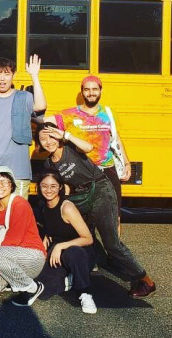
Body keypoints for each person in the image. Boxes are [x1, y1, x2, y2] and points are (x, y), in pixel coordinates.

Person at [36, 122, 156, 298]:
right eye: (42, 139)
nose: (48, 141)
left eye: (51, 135)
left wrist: (65, 135)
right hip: (80, 197)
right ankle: (86, 263)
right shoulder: (49, 164)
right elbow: (64, 189)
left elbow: (89, 146)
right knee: (78, 232)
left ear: (58, 135)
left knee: (112, 243)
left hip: (99, 190)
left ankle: (145, 280)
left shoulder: (70, 147)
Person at [44, 75, 131, 222]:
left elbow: (116, 140)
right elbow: (42, 121)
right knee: (83, 216)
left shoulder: (109, 113)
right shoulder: (68, 115)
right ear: (82, 92)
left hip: (107, 169)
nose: (91, 93)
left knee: (113, 214)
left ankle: (113, 244)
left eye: (95, 89)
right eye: (87, 89)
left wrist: (127, 163)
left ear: (100, 91)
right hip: (81, 172)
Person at [0, 55, 46, 208]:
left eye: (7, 74)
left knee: (18, 212)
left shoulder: (24, 97)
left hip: (17, 168)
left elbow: (40, 106)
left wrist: (34, 76)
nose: (2, 79)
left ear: (13, 75)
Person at [0, 166, 46, 307]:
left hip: (32, 258)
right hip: (5, 261)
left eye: (5, 182)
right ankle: (12, 281)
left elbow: (14, 240)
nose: (0, 185)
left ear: (11, 185)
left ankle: (33, 288)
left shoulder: (20, 204)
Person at [35, 169, 97, 314]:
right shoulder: (43, 205)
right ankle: (69, 277)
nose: (48, 190)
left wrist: (60, 246)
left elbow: (88, 238)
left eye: (53, 186)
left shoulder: (67, 207)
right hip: (60, 253)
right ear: (38, 187)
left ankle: (85, 293)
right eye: (44, 186)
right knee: (43, 291)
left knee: (74, 253)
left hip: (80, 254)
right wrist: (46, 236)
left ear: (60, 187)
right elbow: (51, 227)